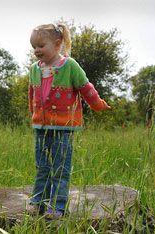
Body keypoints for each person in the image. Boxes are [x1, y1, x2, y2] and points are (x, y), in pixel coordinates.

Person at [27, 23, 110, 218]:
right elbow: (31, 95)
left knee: (60, 168)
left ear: (57, 44)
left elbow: (86, 88)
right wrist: (34, 116)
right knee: (42, 166)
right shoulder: (34, 69)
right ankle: (38, 201)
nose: (37, 51)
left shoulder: (70, 66)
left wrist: (97, 104)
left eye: (41, 46)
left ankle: (57, 206)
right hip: (41, 127)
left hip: (63, 127)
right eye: (34, 47)